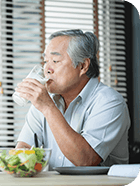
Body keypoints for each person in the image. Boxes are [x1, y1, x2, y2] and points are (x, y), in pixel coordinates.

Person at [15, 29, 130, 170]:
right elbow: (24, 147)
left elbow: (85, 160)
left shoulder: (110, 102)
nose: (47, 69)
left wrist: (49, 108)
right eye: (46, 61)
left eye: (55, 61)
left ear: (82, 66)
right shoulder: (45, 101)